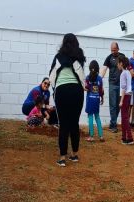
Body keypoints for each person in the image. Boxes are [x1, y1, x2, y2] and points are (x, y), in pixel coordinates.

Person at [49, 33, 86, 167]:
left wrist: (55, 90)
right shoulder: (79, 56)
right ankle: (74, 155)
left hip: (62, 91)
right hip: (77, 92)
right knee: (74, 123)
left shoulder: (58, 57)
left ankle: (62, 157)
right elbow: (82, 76)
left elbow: (52, 76)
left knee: (63, 124)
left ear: (64, 43)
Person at [100, 42, 125, 133]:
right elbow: (104, 69)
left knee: (119, 105)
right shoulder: (109, 58)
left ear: (118, 49)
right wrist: (99, 79)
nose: (113, 51)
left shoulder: (122, 56)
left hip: (121, 84)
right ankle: (113, 125)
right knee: (112, 105)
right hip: (112, 84)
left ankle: (112, 123)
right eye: (111, 50)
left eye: (114, 50)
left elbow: (126, 67)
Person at [85, 60, 105, 142]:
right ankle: (101, 136)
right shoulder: (100, 79)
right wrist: (102, 98)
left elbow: (86, 88)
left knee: (90, 117)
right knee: (97, 117)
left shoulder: (87, 78)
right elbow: (101, 91)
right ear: (98, 69)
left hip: (90, 100)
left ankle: (91, 136)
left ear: (90, 68)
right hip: (96, 100)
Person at [118, 55, 134, 145]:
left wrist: (121, 100)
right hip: (128, 96)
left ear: (121, 63)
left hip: (125, 96)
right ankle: (124, 137)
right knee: (124, 117)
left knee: (124, 118)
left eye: (118, 63)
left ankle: (130, 137)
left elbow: (124, 88)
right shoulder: (128, 72)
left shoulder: (123, 73)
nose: (117, 65)